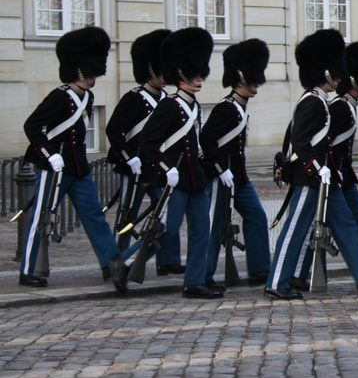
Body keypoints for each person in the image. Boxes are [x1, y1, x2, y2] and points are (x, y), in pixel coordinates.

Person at [265, 29, 358, 300]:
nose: (340, 77)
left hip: (322, 177)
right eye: (335, 72)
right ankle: (276, 281)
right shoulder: (312, 102)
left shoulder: (320, 100)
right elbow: (302, 141)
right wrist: (319, 167)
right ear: (324, 72)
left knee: (345, 222)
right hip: (309, 176)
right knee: (295, 229)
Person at [19, 26, 128, 294]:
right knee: (42, 218)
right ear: (77, 69)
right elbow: (32, 126)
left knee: (94, 216)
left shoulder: (86, 97)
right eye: (89, 71)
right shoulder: (59, 97)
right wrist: (49, 154)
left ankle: (110, 263)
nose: (93, 76)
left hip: (78, 168)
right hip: (55, 168)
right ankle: (29, 270)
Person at [134, 27, 219, 298]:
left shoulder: (193, 105)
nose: (198, 77)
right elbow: (147, 142)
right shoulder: (169, 105)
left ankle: (194, 282)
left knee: (200, 232)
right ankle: (123, 262)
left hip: (194, 176)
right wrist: (164, 166)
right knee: (166, 230)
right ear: (181, 74)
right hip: (175, 178)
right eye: (194, 73)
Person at [294, 42, 358, 287]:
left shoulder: (347, 106)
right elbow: (321, 142)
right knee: (333, 223)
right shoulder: (340, 108)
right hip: (330, 173)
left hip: (340, 174)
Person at [199, 38, 272, 289]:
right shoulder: (226, 108)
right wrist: (221, 168)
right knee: (215, 228)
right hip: (223, 177)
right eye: (252, 80)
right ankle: (203, 276)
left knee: (257, 217)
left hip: (239, 178)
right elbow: (207, 138)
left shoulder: (240, 108)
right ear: (240, 78)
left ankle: (260, 268)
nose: (256, 85)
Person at [105, 29, 170, 257]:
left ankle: (168, 260)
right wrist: (127, 157)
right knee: (127, 214)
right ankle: (118, 257)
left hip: (156, 167)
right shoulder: (134, 98)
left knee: (165, 213)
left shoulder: (167, 100)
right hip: (134, 166)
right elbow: (114, 131)